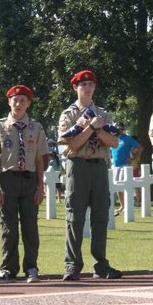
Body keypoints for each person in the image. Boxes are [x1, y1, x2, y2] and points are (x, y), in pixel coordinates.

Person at [57, 69, 122, 281]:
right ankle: (72, 265)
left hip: (99, 167)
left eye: (90, 84)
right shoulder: (69, 115)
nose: (87, 88)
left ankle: (101, 265)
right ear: (75, 88)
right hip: (78, 166)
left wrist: (95, 128)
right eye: (83, 84)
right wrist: (90, 129)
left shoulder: (103, 114)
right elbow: (72, 144)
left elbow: (113, 142)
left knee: (100, 216)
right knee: (75, 216)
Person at [0, 84, 48, 284]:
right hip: (8, 179)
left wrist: (41, 186)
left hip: (29, 179)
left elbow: (40, 159)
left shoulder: (36, 128)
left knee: (30, 226)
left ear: (28, 103)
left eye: (23, 100)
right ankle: (8, 269)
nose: (19, 103)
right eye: (15, 99)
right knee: (8, 227)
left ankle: (31, 267)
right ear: (9, 102)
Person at [110, 122, 143, 215]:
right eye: (117, 128)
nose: (119, 130)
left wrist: (134, 158)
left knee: (125, 186)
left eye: (121, 128)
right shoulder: (112, 139)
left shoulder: (128, 139)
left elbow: (140, 148)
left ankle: (128, 206)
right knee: (117, 187)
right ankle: (122, 205)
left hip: (125, 165)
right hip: (115, 166)